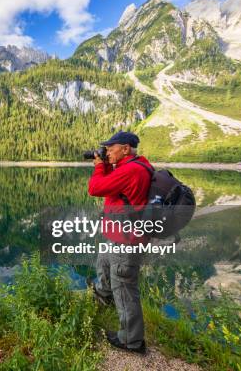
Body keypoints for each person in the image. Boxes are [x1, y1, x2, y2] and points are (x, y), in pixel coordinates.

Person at [87, 131, 153, 354]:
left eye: (110, 147)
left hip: (126, 241)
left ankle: (131, 340)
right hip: (118, 235)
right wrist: (106, 165)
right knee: (103, 263)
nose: (106, 152)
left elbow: (95, 188)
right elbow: (112, 189)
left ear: (126, 148)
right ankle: (104, 295)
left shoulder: (131, 170)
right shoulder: (135, 165)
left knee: (124, 287)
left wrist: (98, 166)